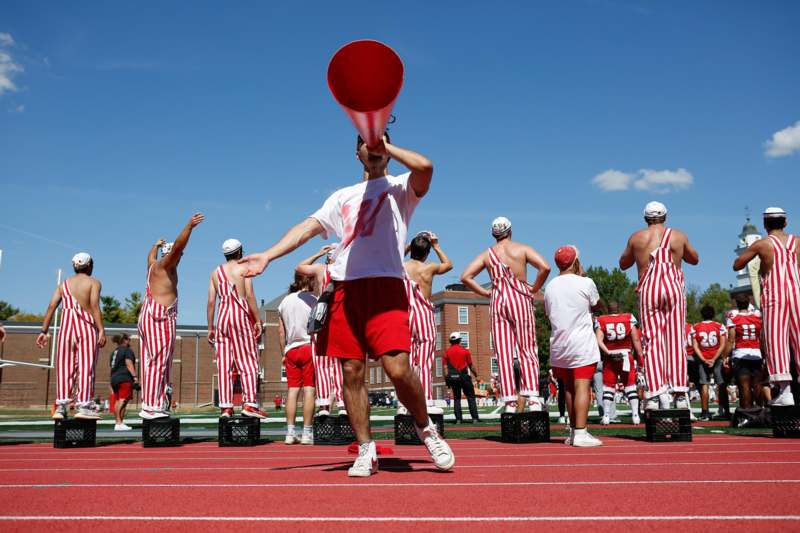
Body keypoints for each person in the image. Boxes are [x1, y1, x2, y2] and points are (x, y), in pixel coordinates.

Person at [238, 132, 454, 477]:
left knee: (397, 368)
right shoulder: (341, 197)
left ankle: (426, 429)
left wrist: (386, 148)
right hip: (345, 289)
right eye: (367, 143)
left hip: (386, 287)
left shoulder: (400, 188)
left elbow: (426, 167)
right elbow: (306, 228)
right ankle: (366, 449)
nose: (373, 147)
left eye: (380, 142)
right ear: (356, 153)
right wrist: (268, 254)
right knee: (351, 372)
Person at [461, 216, 551, 413]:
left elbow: (465, 276)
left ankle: (509, 401)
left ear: (493, 235)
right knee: (527, 349)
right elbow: (545, 267)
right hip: (520, 298)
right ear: (510, 231)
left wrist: (485, 292)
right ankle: (533, 398)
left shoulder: (488, 254)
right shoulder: (522, 248)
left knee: (503, 352)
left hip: (498, 301)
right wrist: (534, 288)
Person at [619, 201, 699, 410]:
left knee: (652, 342)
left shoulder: (637, 237)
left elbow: (623, 264)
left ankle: (654, 394)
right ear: (665, 217)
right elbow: (694, 259)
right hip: (674, 289)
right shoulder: (678, 236)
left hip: (649, 290)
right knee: (675, 340)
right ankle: (680, 393)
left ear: (645, 218)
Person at [138, 213, 204, 419]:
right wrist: (189, 227)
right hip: (160, 316)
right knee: (158, 361)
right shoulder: (165, 265)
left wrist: (155, 246)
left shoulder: (153, 266)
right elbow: (178, 247)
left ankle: (155, 401)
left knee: (154, 361)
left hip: (149, 314)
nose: (181, 258)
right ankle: (151, 405)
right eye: (178, 256)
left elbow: (149, 257)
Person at [733, 207, 800, 406]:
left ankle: (785, 390)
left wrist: (755, 256)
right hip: (796, 292)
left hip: (775, 295)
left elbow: (737, 265)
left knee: (776, 340)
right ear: (785, 223)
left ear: (765, 225)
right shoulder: (797, 242)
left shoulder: (763, 244)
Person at [545, 246, 604, 447]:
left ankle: (572, 431)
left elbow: (548, 314)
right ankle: (580, 432)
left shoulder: (551, 286)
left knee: (568, 388)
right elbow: (598, 305)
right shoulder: (585, 282)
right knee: (582, 386)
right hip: (580, 343)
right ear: (575, 261)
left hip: (559, 344)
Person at [36, 253, 107, 420]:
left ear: (74, 266)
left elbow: (51, 306)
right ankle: (84, 405)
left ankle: (61, 406)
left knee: (64, 367)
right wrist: (101, 329)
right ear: (89, 266)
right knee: (86, 368)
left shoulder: (63, 285)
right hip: (86, 328)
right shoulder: (94, 283)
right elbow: (95, 306)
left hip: (66, 329)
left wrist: (43, 331)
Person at [207, 238, 266, 419]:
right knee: (247, 361)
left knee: (224, 363)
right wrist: (257, 320)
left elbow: (211, 302)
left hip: (222, 316)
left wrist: (210, 327)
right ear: (239, 252)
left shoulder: (215, 273)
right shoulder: (244, 269)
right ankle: (249, 403)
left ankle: (226, 406)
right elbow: (249, 296)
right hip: (240, 315)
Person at [402, 231, 453, 415]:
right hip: (423, 313)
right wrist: (436, 245)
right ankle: (425, 399)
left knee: (406, 360)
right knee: (424, 360)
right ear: (427, 253)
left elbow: (394, 258)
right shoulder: (429, 267)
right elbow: (449, 265)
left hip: (406, 314)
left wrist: (409, 245)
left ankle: (404, 403)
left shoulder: (401, 267)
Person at [296, 243, 346, 416]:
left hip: (321, 318)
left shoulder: (320, 270)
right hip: (339, 318)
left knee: (322, 364)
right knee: (338, 364)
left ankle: (324, 405)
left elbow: (299, 267)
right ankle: (341, 404)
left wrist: (318, 253)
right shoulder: (346, 271)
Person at [277, 273, 317, 444]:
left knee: (292, 391)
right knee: (309, 390)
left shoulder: (284, 302)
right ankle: (307, 432)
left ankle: (290, 432)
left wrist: (283, 353)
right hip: (309, 346)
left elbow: (281, 331)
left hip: (291, 349)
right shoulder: (314, 299)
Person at [594, 301, 644, 425]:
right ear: (619, 309)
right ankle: (635, 415)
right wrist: (640, 358)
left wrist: (608, 352)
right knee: (630, 386)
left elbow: (598, 340)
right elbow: (636, 340)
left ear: (608, 310)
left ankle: (606, 416)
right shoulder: (628, 318)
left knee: (608, 388)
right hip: (626, 356)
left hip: (610, 357)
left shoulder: (602, 319)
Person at [726, 294, 764, 409]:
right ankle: (759, 410)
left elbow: (731, 339)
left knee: (744, 386)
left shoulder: (733, 317)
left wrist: (725, 356)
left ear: (737, 304)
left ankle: (747, 412)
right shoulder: (758, 316)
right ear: (749, 303)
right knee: (757, 385)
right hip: (756, 354)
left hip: (741, 354)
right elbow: (762, 337)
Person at [692, 305, 728, 421]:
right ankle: (723, 409)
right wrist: (714, 358)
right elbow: (723, 344)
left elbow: (695, 346)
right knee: (721, 384)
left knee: (704, 385)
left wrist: (703, 359)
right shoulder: (719, 326)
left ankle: (705, 412)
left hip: (703, 359)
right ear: (713, 314)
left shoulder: (696, 327)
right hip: (716, 358)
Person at [443, 332, 480, 423]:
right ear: (459, 340)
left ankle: (458, 419)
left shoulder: (446, 352)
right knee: (470, 397)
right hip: (464, 377)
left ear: (450, 341)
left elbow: (445, 368)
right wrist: (477, 376)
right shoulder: (465, 351)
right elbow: (471, 366)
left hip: (453, 378)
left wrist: (447, 381)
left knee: (457, 398)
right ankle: (474, 418)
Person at [109, 333, 137, 430]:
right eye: (129, 339)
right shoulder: (127, 350)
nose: (130, 341)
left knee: (119, 400)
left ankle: (119, 423)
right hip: (124, 377)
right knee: (123, 400)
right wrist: (135, 377)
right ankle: (118, 422)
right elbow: (129, 363)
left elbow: (112, 367)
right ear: (125, 340)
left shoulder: (114, 352)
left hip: (114, 378)